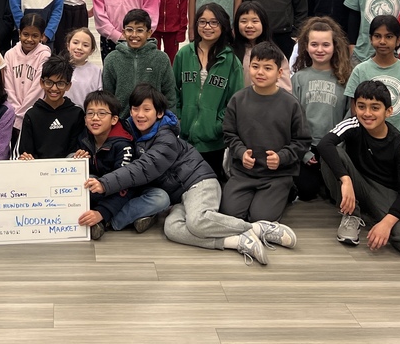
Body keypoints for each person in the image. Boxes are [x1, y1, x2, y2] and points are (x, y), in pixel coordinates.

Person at [84, 85, 297, 264]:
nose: (139, 114)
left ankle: (258, 229)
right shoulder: (134, 134)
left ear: (159, 113)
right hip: (178, 199)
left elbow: (145, 167)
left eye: (146, 109)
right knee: (172, 230)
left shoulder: (165, 137)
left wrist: (104, 183)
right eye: (135, 109)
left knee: (197, 222)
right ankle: (236, 241)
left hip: (199, 183)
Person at [317, 80, 400, 257]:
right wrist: (346, 179)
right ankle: (352, 215)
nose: (367, 113)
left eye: (375, 108)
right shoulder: (353, 124)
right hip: (356, 180)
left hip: (385, 194)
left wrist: (387, 224)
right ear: (355, 107)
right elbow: (324, 144)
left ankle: (374, 214)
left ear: (388, 111)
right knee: (332, 153)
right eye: (361, 106)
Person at [220, 42, 311, 223]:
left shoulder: (290, 104)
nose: (260, 72)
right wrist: (240, 152)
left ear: (279, 73)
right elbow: (229, 134)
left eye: (267, 68)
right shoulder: (238, 99)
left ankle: (287, 191)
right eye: (255, 66)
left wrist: (282, 157)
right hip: (243, 174)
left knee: (261, 218)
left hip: (277, 176)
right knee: (230, 215)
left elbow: (302, 141)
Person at [73, 90, 171, 240]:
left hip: (127, 190)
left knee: (161, 198)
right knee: (82, 177)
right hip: (100, 188)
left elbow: (125, 185)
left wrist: (101, 213)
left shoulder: (124, 145)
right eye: (90, 113)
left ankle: (106, 222)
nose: (95, 118)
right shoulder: (84, 138)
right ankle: (137, 218)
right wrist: (79, 161)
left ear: (114, 119)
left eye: (101, 114)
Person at [173, 2, 243, 181]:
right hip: (185, 139)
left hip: (214, 142)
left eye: (214, 22)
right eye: (202, 22)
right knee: (185, 185)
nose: (207, 27)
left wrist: (217, 125)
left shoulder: (231, 61)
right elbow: (173, 90)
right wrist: (180, 117)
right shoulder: (184, 54)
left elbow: (236, 100)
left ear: (223, 26)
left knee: (211, 186)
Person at [291, 17, 352, 202]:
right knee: (307, 192)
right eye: (314, 44)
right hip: (308, 147)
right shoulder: (299, 78)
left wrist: (338, 148)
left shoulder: (345, 78)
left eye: (325, 44)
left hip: (334, 146)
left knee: (335, 195)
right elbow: (293, 119)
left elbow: (350, 115)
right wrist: (304, 152)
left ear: (335, 46)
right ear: (305, 46)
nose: (319, 49)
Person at [345, 15, 400, 142]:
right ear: (370, 39)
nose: (382, 41)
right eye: (377, 36)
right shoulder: (360, 71)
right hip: (366, 143)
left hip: (398, 142)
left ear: (398, 40)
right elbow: (354, 110)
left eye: (388, 37)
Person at [101, 8, 177, 115]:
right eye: (129, 30)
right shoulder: (112, 59)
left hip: (154, 122)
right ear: (123, 32)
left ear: (149, 33)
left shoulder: (161, 59)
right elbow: (107, 96)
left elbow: (170, 95)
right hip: (122, 122)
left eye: (140, 30)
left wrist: (168, 121)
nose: (134, 35)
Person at [18, 54, 85, 159]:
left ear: (68, 86)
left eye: (60, 83)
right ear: (41, 82)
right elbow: (23, 151)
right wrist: (25, 158)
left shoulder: (77, 113)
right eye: (49, 82)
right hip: (38, 171)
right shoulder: (31, 114)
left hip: (67, 171)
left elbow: (77, 150)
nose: (54, 88)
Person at [3, 13, 51, 149]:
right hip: (11, 116)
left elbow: (38, 88)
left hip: (35, 115)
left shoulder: (45, 56)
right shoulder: (10, 54)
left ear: (42, 36)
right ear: (19, 33)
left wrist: (24, 113)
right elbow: (8, 86)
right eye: (26, 34)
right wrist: (15, 112)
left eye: (35, 36)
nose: (29, 39)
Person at [233, 1, 292, 92]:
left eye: (255, 21)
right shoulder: (231, 53)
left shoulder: (274, 53)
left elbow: (284, 88)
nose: (249, 26)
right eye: (244, 21)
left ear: (263, 23)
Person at [65, 27, 101, 107]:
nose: (79, 47)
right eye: (75, 43)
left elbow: (98, 97)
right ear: (68, 45)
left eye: (85, 45)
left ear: (91, 50)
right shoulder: (59, 67)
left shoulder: (95, 71)